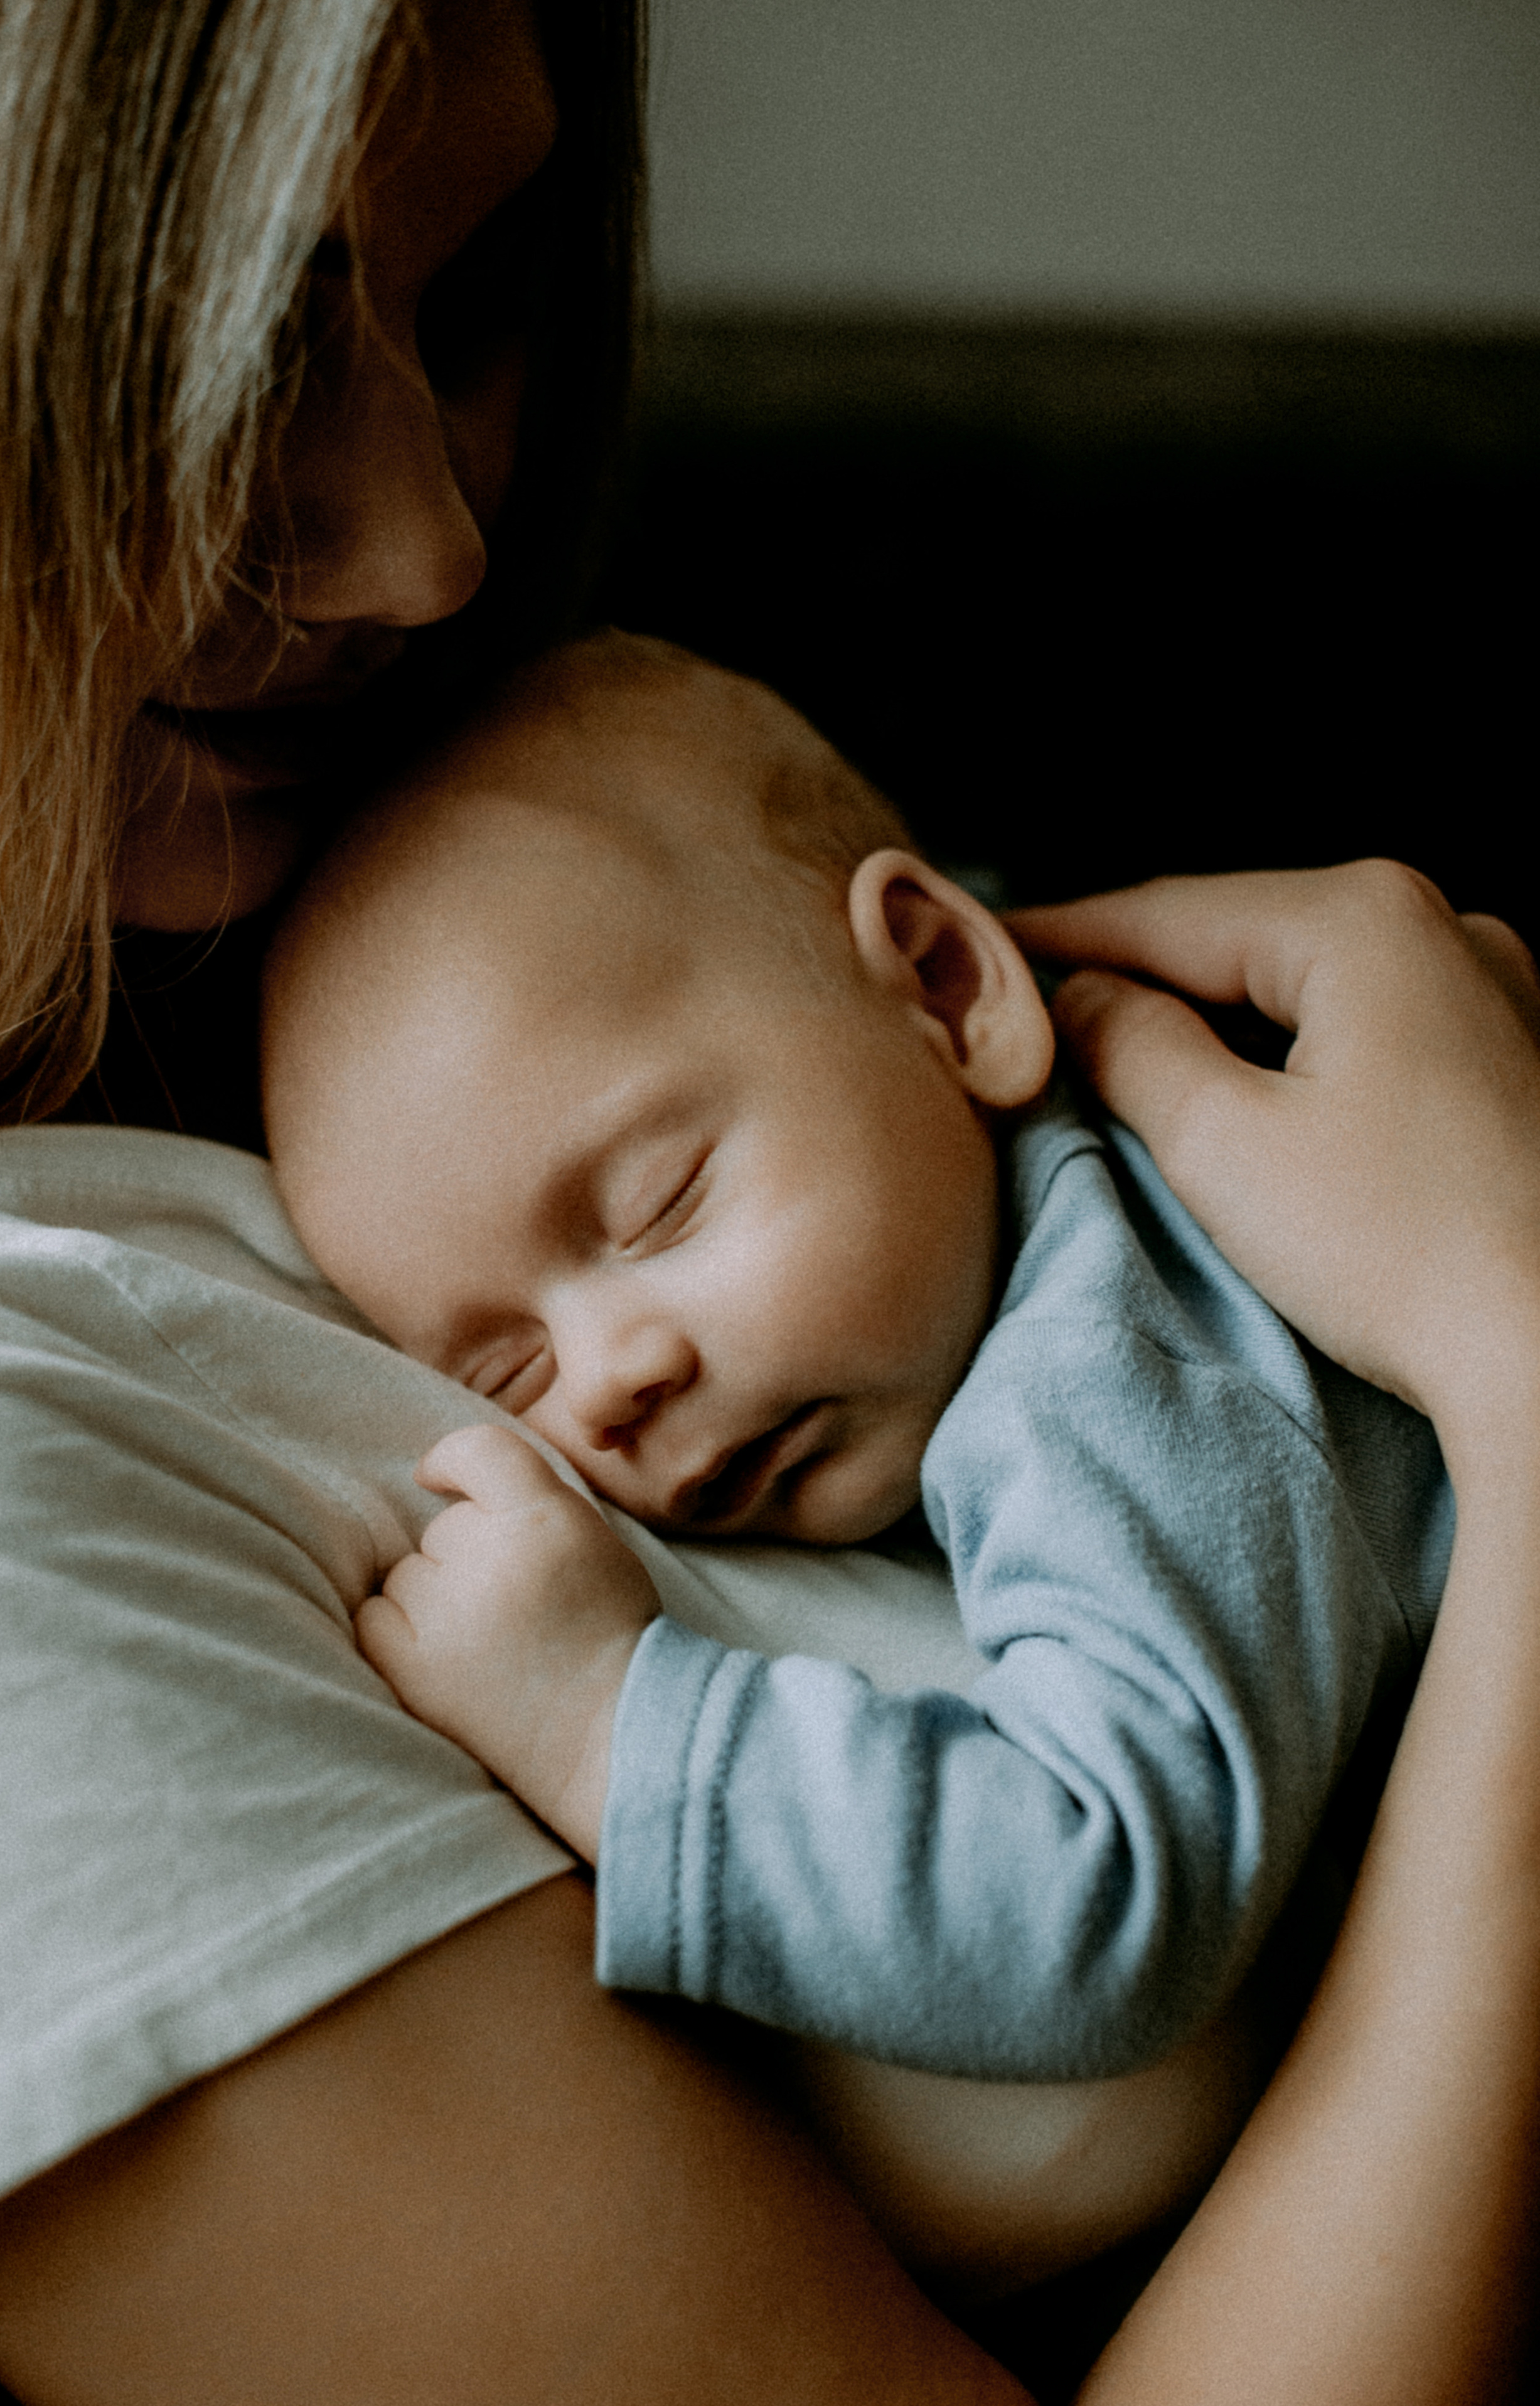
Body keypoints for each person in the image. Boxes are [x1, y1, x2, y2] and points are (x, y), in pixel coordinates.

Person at [0, 3, 1537, 2398]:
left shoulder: (1073, 1299)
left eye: (467, 303)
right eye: (226, 348)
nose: (431, 546)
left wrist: (620, 1717)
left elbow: (1098, 1866)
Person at [262, 630, 1450, 2086]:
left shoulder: (1112, 1370)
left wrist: (602, 1723)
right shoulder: (970, 1147)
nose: (604, 1383)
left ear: (948, 986)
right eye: (504, 1374)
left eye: (659, 1203)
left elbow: (1099, 1901)